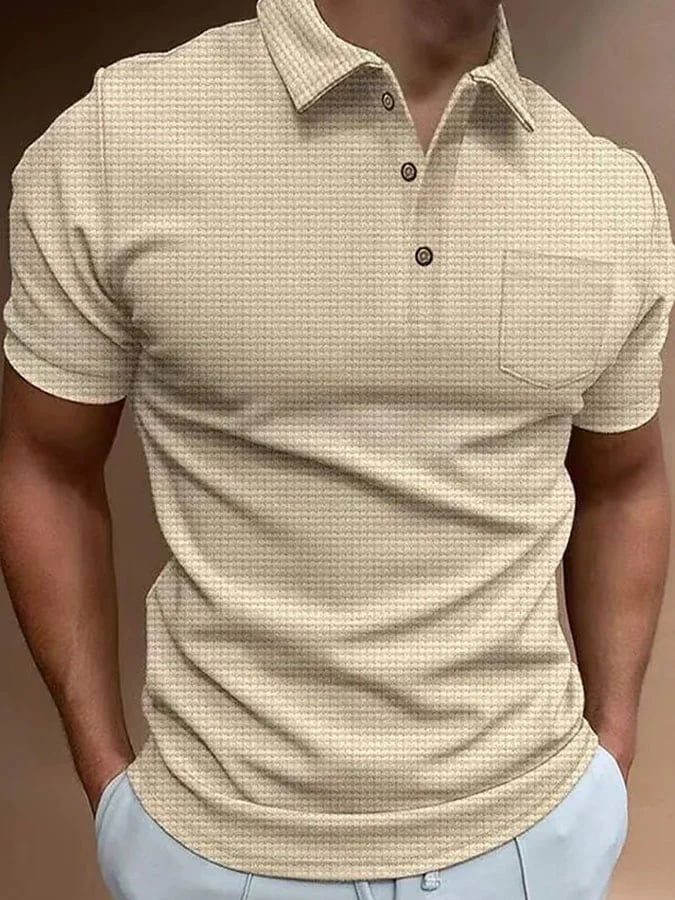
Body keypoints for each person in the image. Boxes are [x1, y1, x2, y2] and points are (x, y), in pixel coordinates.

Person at [1, 0, 673, 898]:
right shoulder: (119, 142)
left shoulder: (608, 191)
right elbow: (43, 464)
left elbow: (625, 482)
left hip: (532, 839)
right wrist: (110, 788)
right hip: (212, 851)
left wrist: (608, 765)